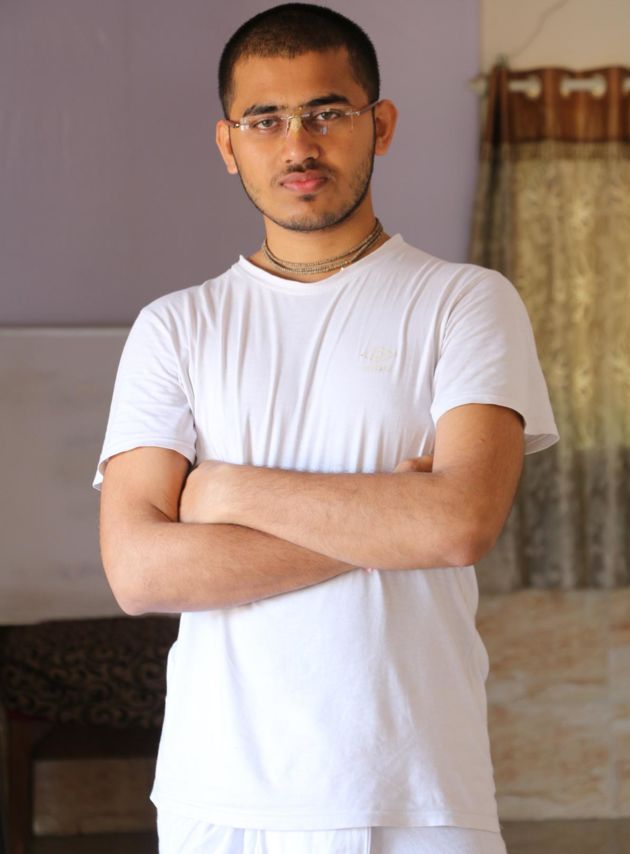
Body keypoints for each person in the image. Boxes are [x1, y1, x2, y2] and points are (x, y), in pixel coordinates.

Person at [93, 4, 559, 853]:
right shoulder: (177, 327)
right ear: (228, 144)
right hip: (218, 795)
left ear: (380, 124)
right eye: (264, 120)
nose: (297, 145)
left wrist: (225, 490)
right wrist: (392, 521)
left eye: (326, 112)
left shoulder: (465, 302)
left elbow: (459, 525)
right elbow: (139, 572)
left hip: (417, 788)